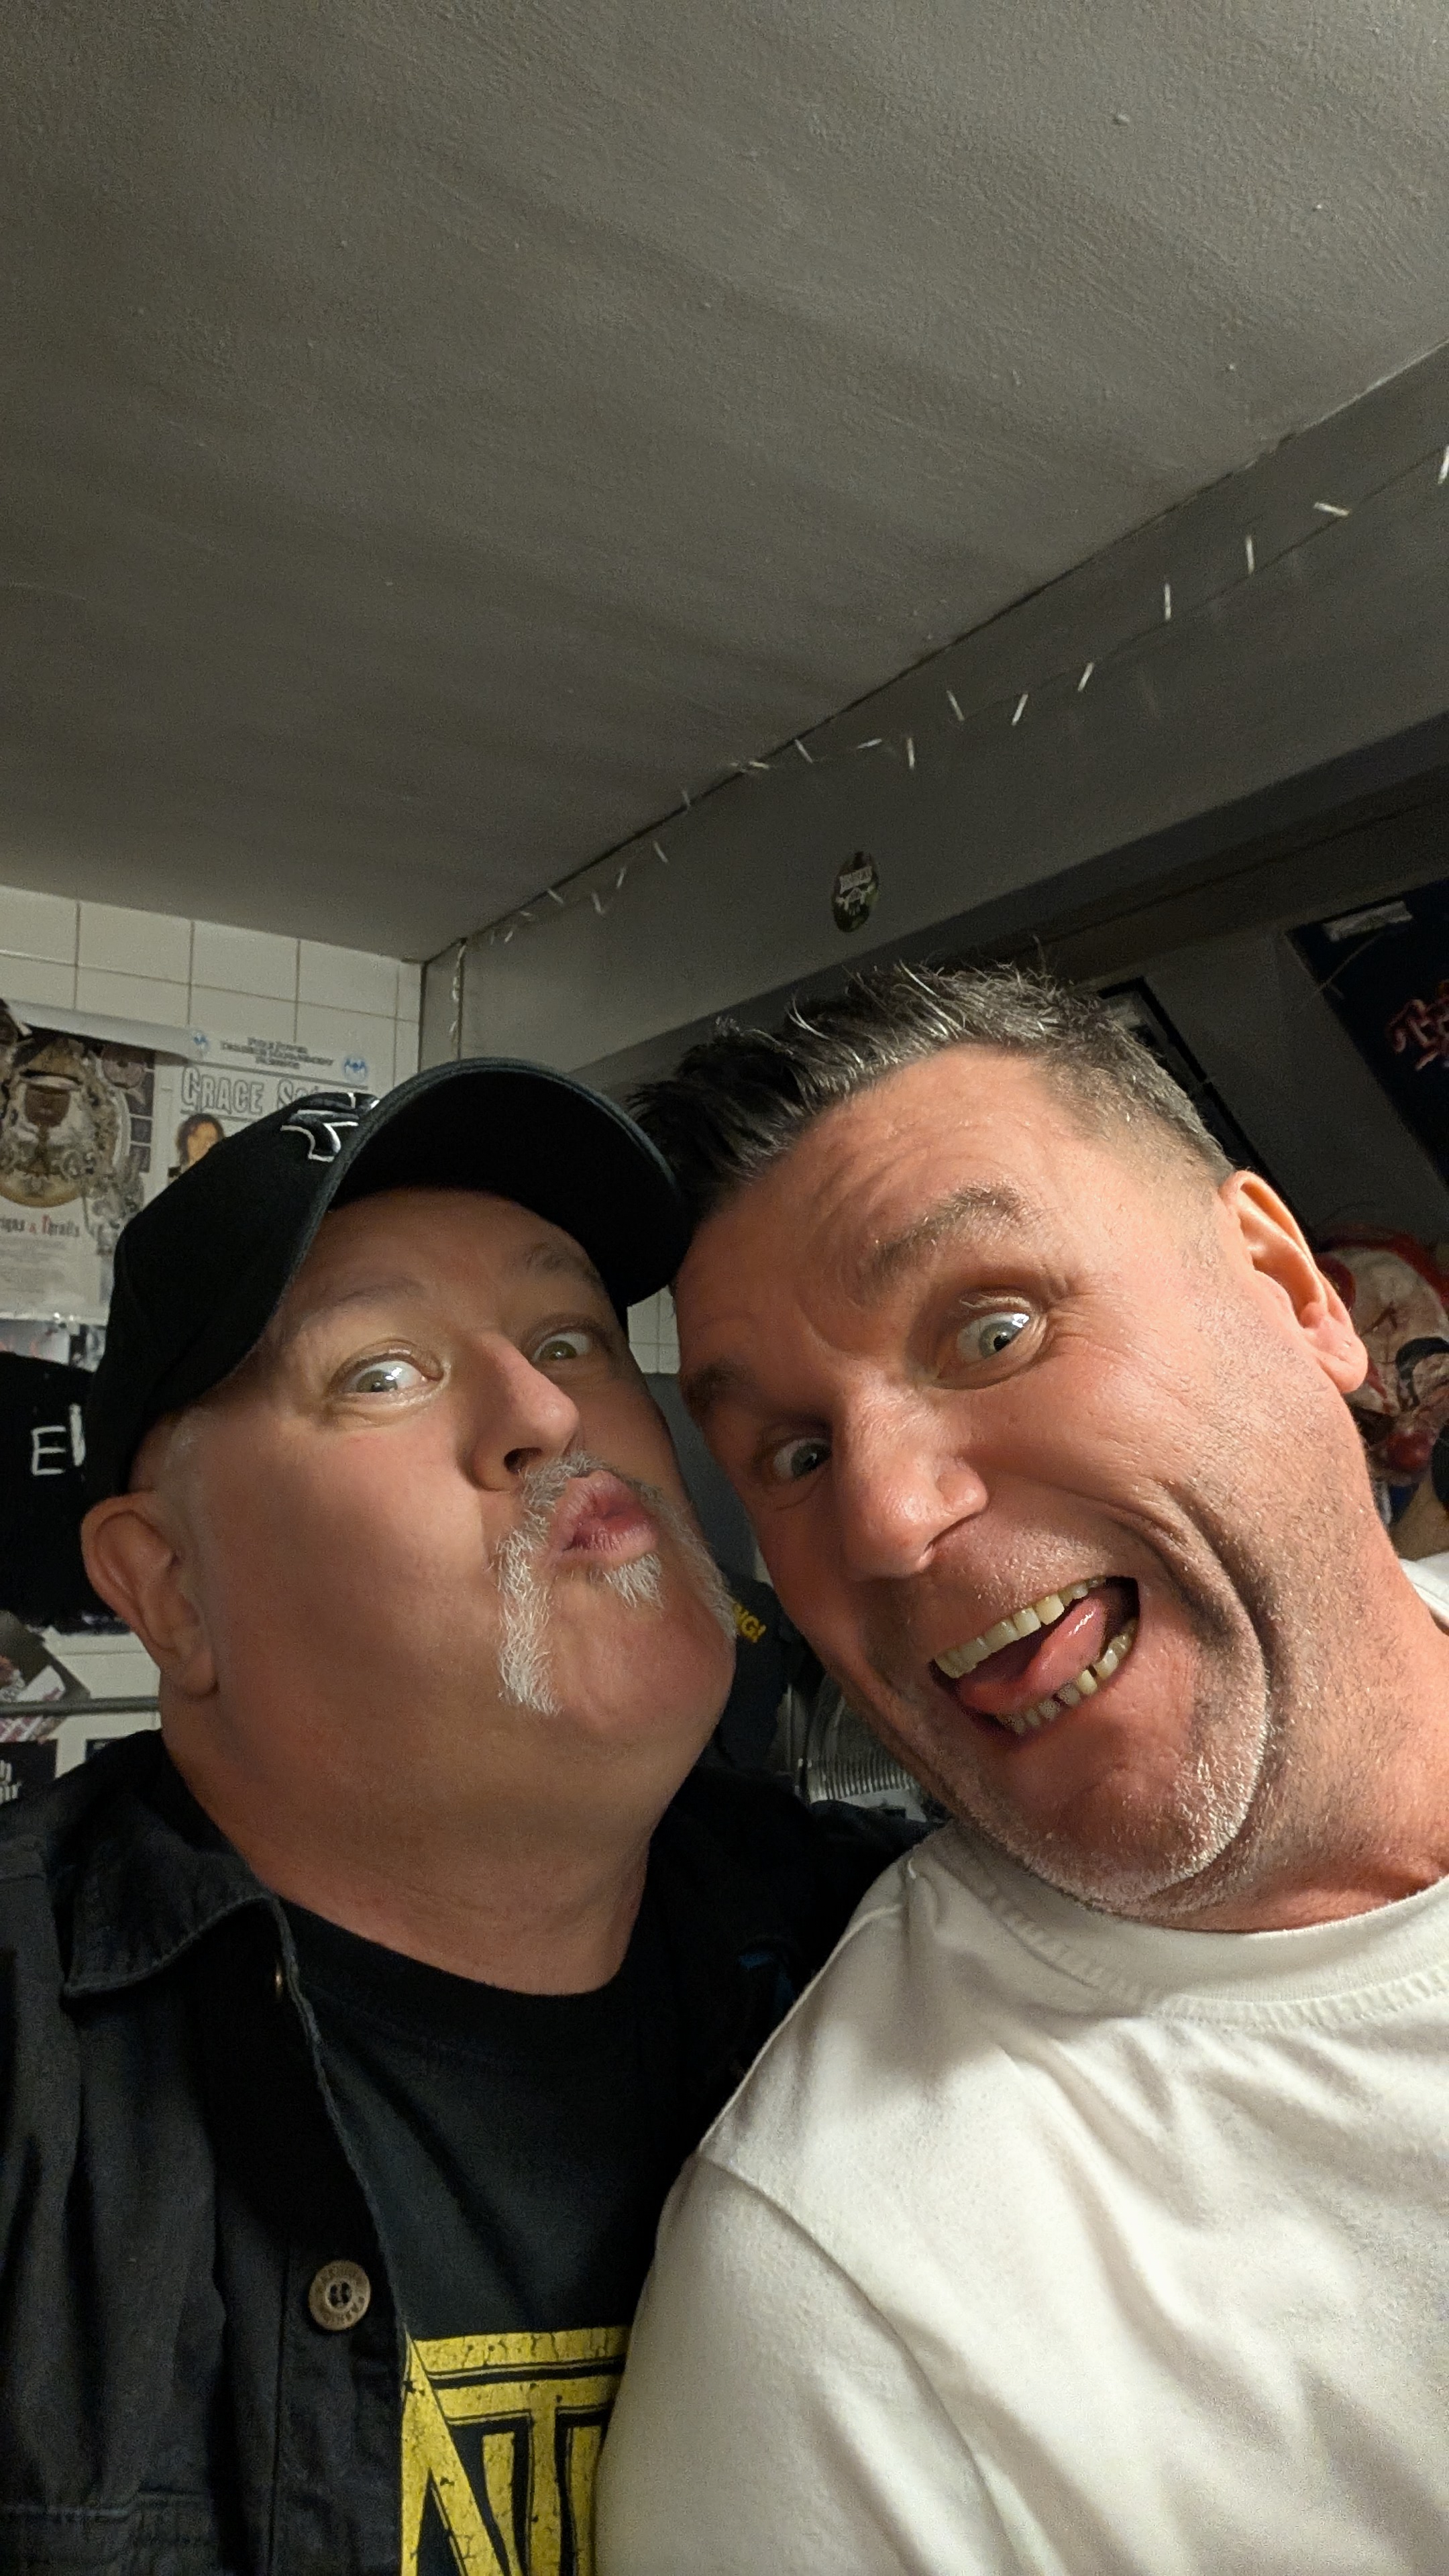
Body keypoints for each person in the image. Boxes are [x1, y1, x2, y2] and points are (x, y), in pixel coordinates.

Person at [0, 1060, 908, 2576]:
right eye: (382, 1372)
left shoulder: (914, 1963)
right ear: (170, 1589)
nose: (549, 1412)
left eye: (571, 1339)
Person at [598, 964, 1449, 2575]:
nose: (884, 1520)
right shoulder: (852, 2311)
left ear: (1292, 1291)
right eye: (795, 1454)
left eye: (993, 1331)